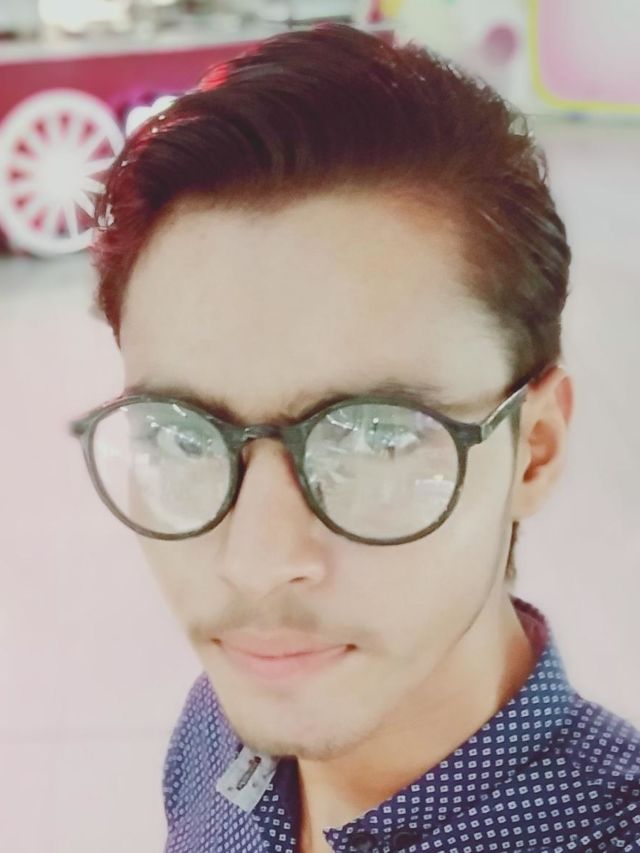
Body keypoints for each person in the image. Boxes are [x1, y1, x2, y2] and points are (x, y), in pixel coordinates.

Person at [70, 22, 640, 853]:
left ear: (536, 446)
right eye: (185, 436)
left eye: (376, 439)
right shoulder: (217, 741)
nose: (255, 564)